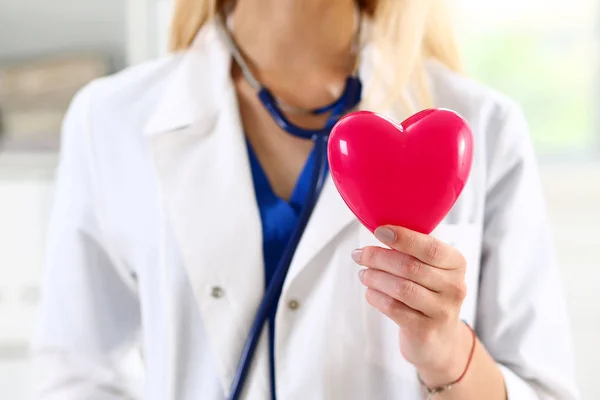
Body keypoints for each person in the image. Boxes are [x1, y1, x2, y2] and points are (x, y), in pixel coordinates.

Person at [33, 0, 579, 399]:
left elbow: (543, 389)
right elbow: (75, 376)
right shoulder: (110, 120)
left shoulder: (481, 125)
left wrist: (445, 352)